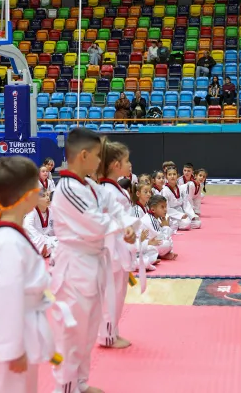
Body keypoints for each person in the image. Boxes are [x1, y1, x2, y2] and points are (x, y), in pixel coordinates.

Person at [49, 128, 137, 393]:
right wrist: (120, 226)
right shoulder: (67, 188)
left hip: (93, 262)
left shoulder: (90, 186)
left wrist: (125, 224)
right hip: (74, 264)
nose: (100, 161)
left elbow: (114, 206)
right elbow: (95, 223)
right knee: (72, 333)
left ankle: (80, 383)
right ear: (84, 155)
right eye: (98, 156)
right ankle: (65, 387)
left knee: (87, 331)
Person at [0, 156, 57, 393]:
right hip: (8, 338)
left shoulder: (14, 236)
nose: (40, 191)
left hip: (22, 328)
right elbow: (3, 298)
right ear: (26, 194)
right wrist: (12, 349)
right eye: (36, 187)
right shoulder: (5, 243)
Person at [96, 140, 143, 348]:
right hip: (111, 249)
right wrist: (127, 230)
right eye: (127, 161)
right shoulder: (107, 191)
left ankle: (112, 332)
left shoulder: (115, 189)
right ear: (116, 165)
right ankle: (107, 336)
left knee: (118, 292)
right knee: (111, 294)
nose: (129, 164)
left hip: (120, 246)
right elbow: (106, 222)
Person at [132, 183, 176, 261]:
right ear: (153, 209)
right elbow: (160, 238)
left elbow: (162, 237)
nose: (165, 210)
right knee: (166, 244)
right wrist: (166, 227)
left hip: (147, 241)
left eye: (165, 207)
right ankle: (152, 256)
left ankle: (159, 255)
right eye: (162, 207)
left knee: (167, 242)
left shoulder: (153, 215)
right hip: (138, 244)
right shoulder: (145, 215)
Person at [161, 166, 199, 230]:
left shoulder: (181, 188)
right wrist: (180, 215)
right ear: (166, 176)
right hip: (170, 214)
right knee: (186, 224)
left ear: (177, 176)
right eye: (170, 174)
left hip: (181, 211)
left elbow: (186, 203)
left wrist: (192, 215)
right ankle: (173, 224)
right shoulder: (164, 190)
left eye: (174, 174)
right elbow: (166, 208)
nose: (172, 176)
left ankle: (182, 223)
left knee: (198, 223)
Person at [24, 188, 58, 258]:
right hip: (38, 241)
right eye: (43, 196)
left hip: (49, 241)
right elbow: (27, 226)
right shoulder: (32, 212)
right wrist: (42, 240)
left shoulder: (52, 212)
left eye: (48, 195)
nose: (47, 198)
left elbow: (57, 229)